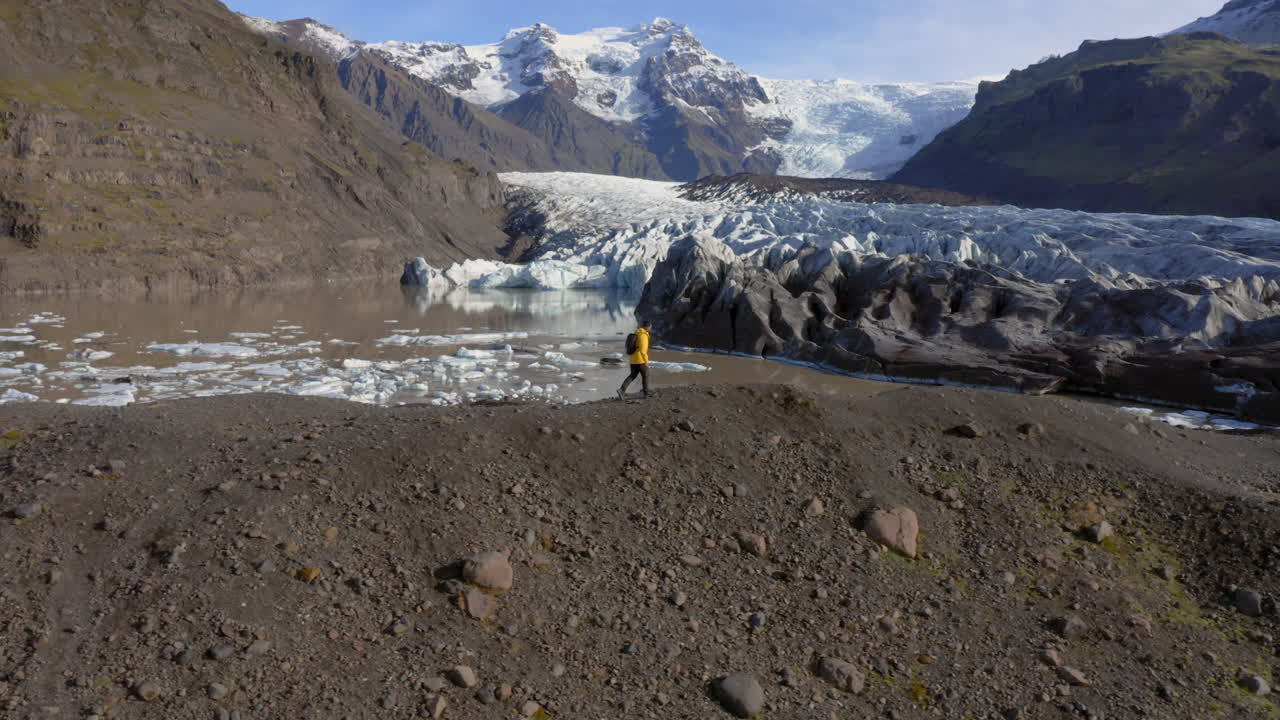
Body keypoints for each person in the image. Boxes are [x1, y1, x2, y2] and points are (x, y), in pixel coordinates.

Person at [617, 319, 652, 399]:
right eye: (650, 327)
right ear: (648, 327)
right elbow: (643, 350)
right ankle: (646, 394)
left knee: (632, 375)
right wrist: (646, 361)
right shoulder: (643, 335)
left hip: (633, 359)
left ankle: (621, 390)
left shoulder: (636, 333)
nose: (650, 329)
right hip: (640, 360)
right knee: (646, 375)